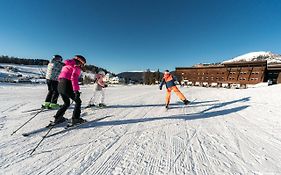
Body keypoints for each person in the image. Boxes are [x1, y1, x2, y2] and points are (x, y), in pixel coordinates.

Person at [52, 55, 87, 125]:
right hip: (67, 85)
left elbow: (61, 76)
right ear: (80, 62)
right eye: (83, 64)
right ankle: (76, 119)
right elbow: (74, 79)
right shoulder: (76, 67)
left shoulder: (66, 65)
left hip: (60, 85)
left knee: (67, 103)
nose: (82, 65)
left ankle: (58, 118)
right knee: (78, 101)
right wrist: (76, 91)